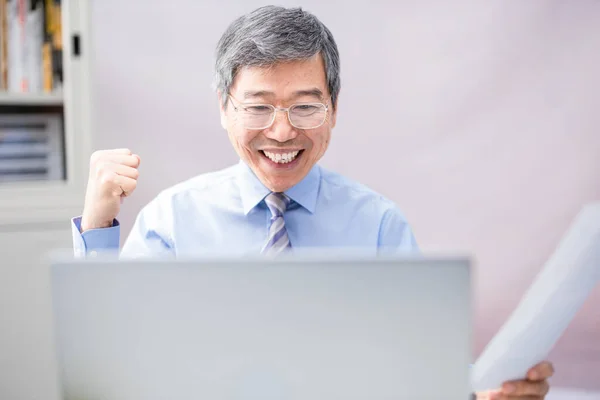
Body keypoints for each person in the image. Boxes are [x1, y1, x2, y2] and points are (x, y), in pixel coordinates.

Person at [71, 5, 554, 399]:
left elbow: (422, 360)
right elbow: (115, 361)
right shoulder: (172, 221)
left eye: (305, 106)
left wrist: (488, 387)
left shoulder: (378, 224)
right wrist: (97, 224)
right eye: (258, 106)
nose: (282, 132)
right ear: (224, 107)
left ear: (335, 108)